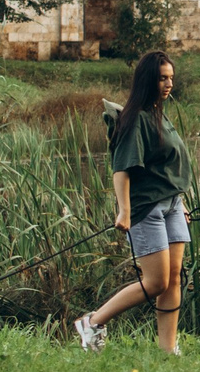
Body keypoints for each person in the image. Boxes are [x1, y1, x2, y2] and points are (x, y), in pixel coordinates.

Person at [74, 50, 191, 355]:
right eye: (162, 78)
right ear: (147, 80)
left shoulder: (157, 112)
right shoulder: (136, 117)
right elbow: (121, 169)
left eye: (171, 78)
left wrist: (178, 200)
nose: (168, 84)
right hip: (146, 209)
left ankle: (168, 350)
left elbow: (162, 166)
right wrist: (125, 210)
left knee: (174, 278)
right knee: (155, 282)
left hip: (172, 205)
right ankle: (93, 322)